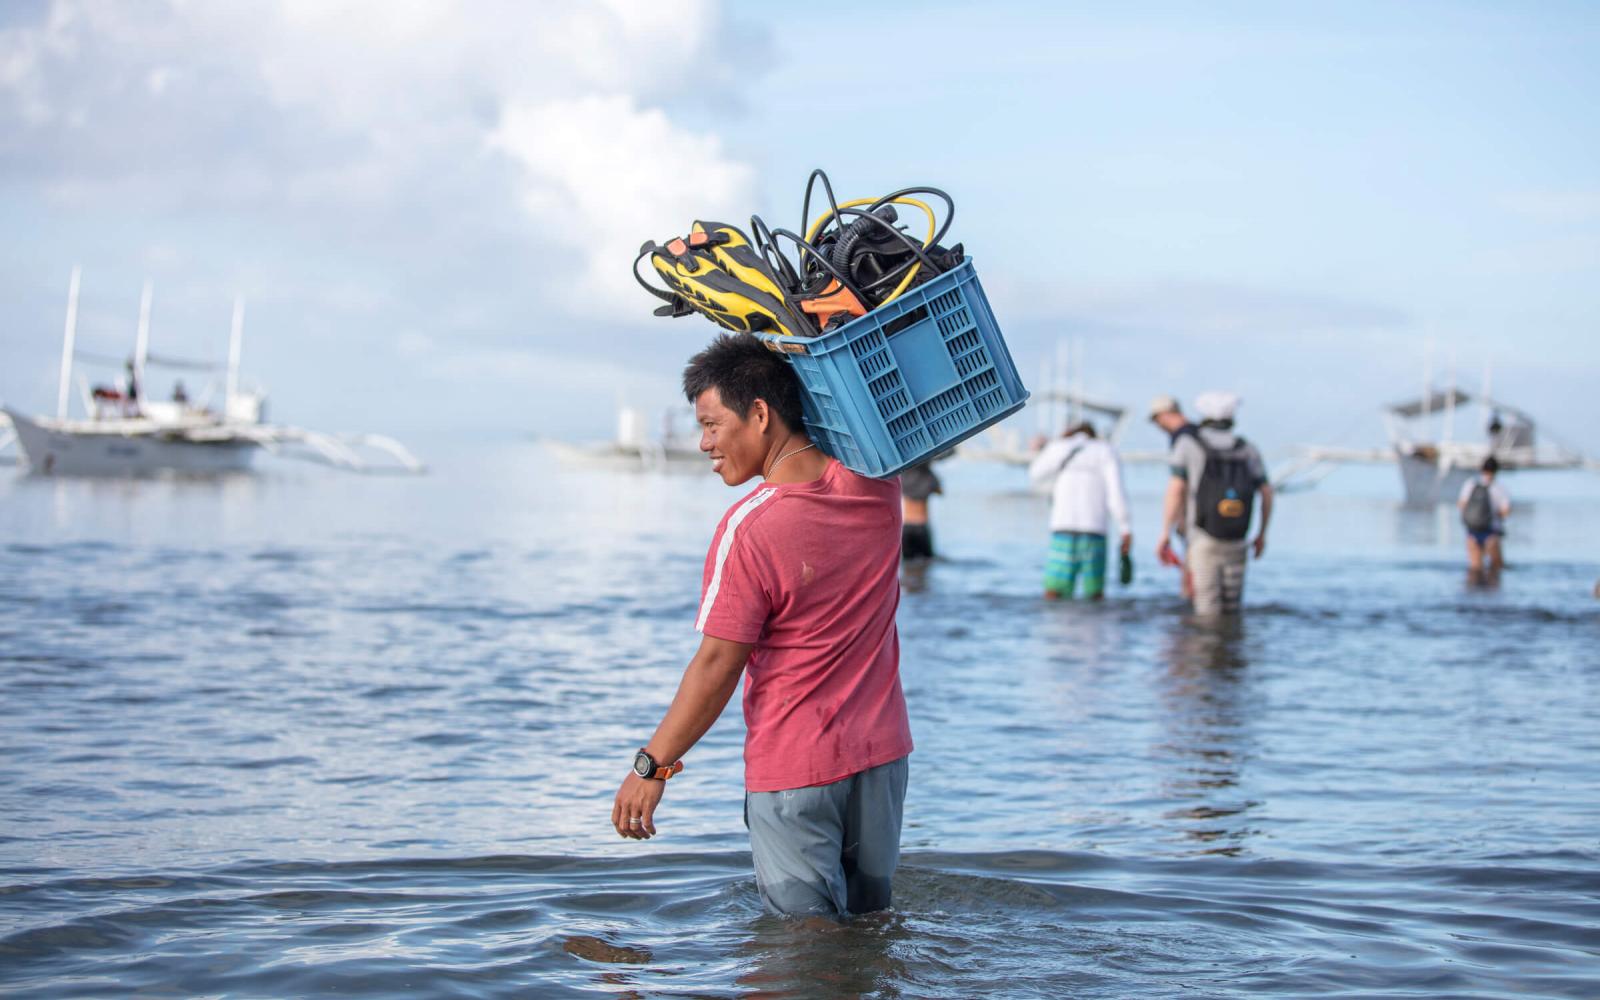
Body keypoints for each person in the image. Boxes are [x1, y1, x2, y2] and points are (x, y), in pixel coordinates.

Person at [611, 333, 913, 919]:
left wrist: (652, 765)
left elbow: (718, 663)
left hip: (797, 770)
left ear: (759, 413)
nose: (703, 443)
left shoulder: (749, 527)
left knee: (801, 955)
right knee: (870, 937)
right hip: (882, 760)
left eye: (711, 424)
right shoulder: (879, 486)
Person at [1157, 392, 1273, 616]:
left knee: (1206, 609)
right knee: (1232, 608)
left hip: (1202, 537)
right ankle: (1232, 649)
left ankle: (1206, 650)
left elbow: (1175, 489)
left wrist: (1165, 532)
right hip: (1239, 538)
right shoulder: (1248, 448)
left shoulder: (1188, 444)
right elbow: (1267, 492)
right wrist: (1262, 533)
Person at [1028, 421, 1131, 600]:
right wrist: (1125, 527)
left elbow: (1035, 473)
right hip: (1095, 529)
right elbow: (1116, 494)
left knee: (1054, 591)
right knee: (1094, 592)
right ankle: (1094, 626)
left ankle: (1054, 626)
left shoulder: (1059, 447)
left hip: (1062, 527)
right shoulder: (1106, 450)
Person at [1458, 456, 1510, 581]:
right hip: (1491, 533)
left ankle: (1475, 597)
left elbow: (1461, 505)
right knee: (1496, 571)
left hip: (1472, 532)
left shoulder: (1470, 484)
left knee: (1475, 570)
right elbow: (1505, 512)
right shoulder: (1499, 489)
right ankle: (1491, 599)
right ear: (1496, 471)